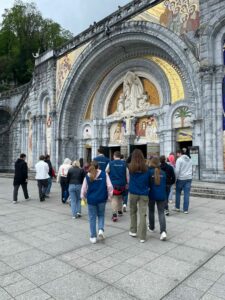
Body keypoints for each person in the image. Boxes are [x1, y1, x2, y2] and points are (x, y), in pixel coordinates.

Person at [81, 160, 113, 244]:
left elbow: (84, 189)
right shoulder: (104, 174)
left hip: (91, 200)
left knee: (92, 218)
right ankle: (100, 230)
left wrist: (83, 197)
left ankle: (93, 237)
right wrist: (110, 196)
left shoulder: (87, 176)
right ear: (98, 166)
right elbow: (109, 186)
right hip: (102, 199)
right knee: (101, 215)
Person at [128, 149, 150, 243]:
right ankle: (142, 236)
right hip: (144, 193)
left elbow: (126, 161)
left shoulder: (130, 167)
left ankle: (133, 231)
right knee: (143, 214)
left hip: (133, 192)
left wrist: (132, 155)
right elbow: (149, 181)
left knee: (133, 212)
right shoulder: (146, 168)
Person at [106, 151, 129, 222]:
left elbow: (106, 171)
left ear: (114, 156)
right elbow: (127, 174)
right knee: (120, 197)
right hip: (122, 183)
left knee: (114, 198)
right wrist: (127, 183)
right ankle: (119, 211)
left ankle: (114, 214)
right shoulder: (124, 164)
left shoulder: (111, 163)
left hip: (113, 184)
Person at [148, 157, 167, 241]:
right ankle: (163, 231)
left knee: (151, 211)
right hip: (161, 195)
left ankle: (151, 227)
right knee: (161, 213)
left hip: (151, 195)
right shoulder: (163, 173)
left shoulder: (149, 172)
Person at [174, 148, 192, 213]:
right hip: (189, 178)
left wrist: (175, 179)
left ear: (180, 153)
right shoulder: (189, 159)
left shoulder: (179, 160)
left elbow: (177, 170)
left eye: (177, 154)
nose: (176, 155)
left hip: (181, 178)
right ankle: (185, 209)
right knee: (186, 194)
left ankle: (177, 207)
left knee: (178, 193)